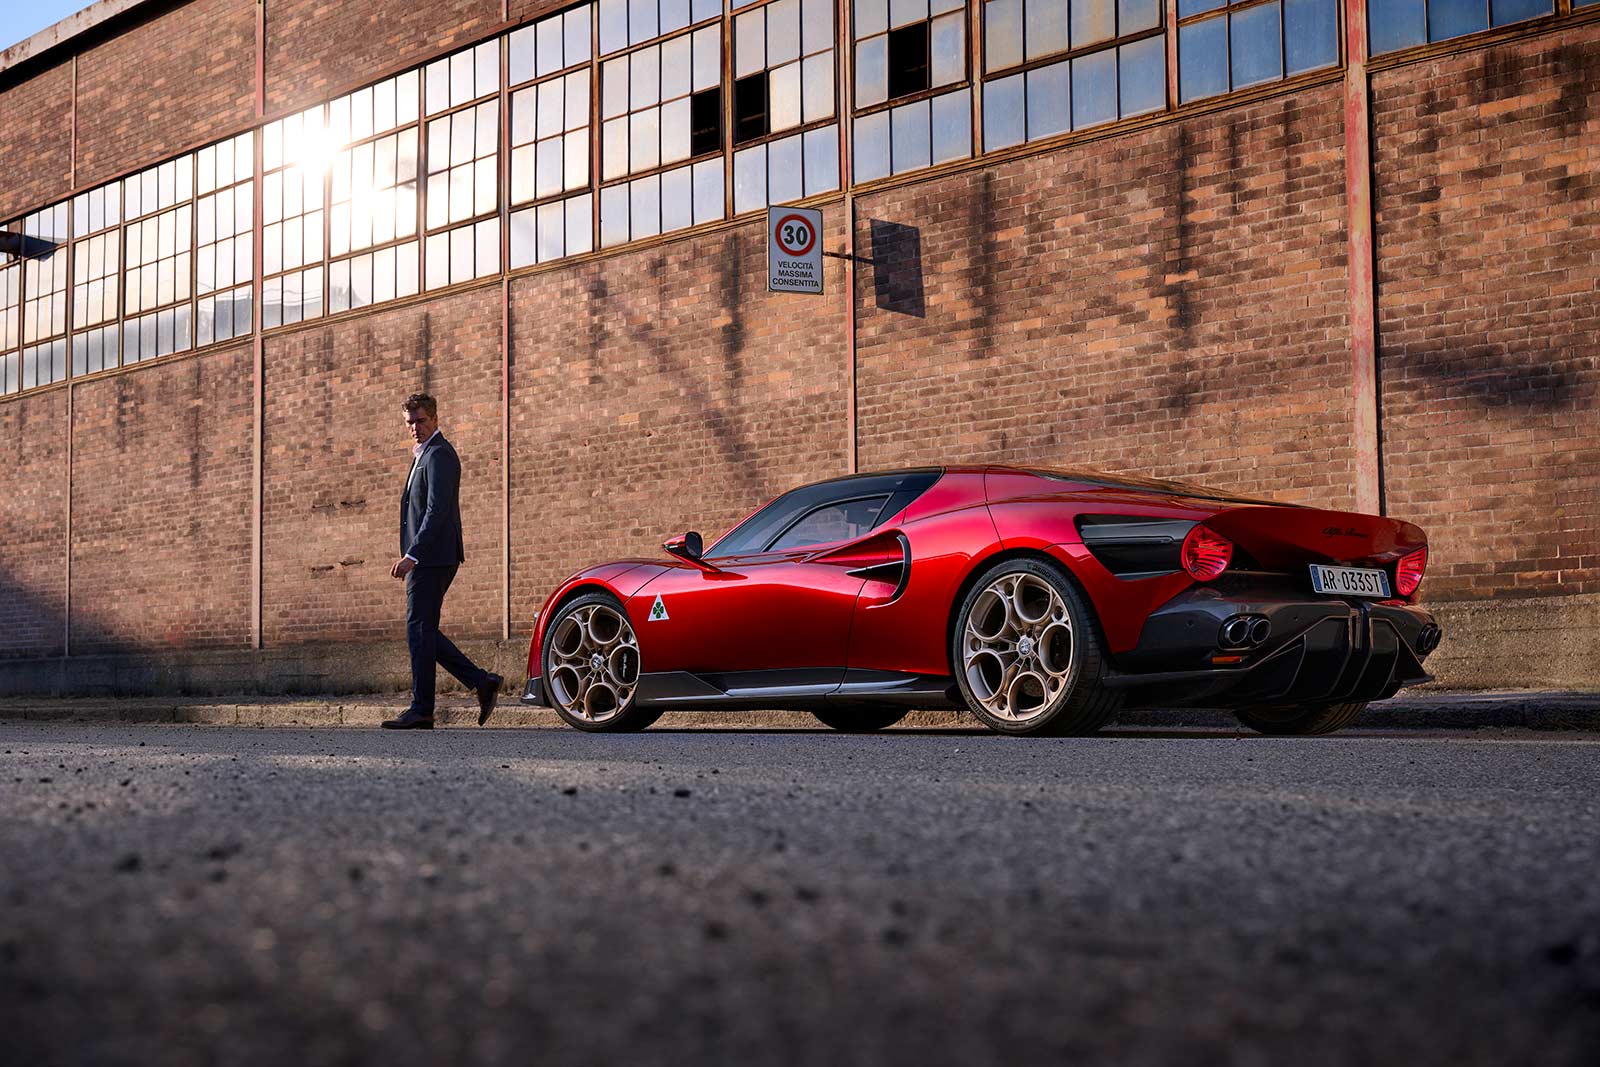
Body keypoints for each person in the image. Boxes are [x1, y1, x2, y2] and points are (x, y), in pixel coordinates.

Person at [383, 393, 502, 729]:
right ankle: (481, 682)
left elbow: (437, 510)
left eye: (421, 421)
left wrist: (412, 554)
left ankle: (423, 708)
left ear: (435, 419)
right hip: (428, 557)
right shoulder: (423, 455)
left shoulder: (439, 454)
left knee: (418, 629)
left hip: (432, 558)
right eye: (410, 423)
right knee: (422, 631)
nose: (415, 428)